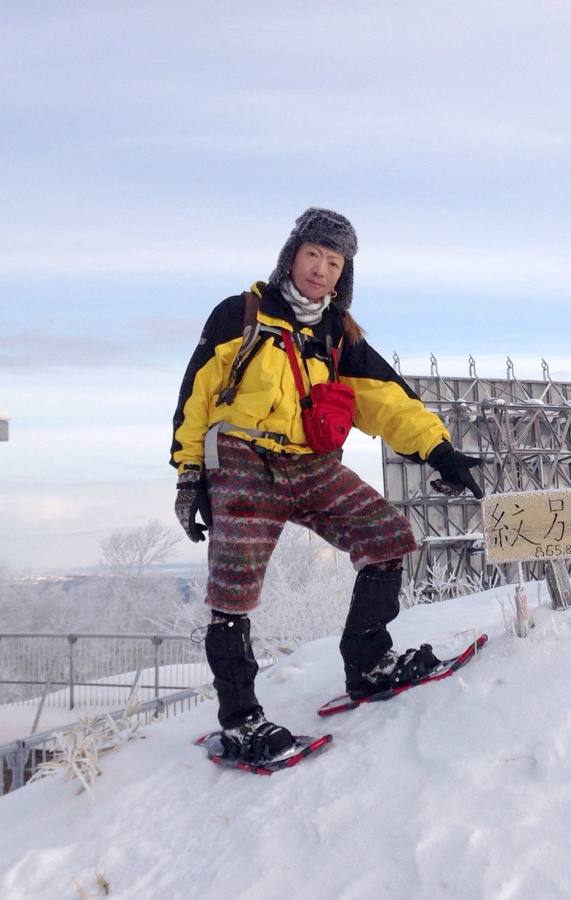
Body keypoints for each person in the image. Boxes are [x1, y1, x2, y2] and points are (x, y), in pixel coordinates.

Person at [171, 207, 482, 764]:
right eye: (313, 254)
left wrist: (442, 451)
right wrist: (189, 477)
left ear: (345, 274)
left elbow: (388, 402)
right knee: (233, 593)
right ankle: (240, 720)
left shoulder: (339, 335)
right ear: (292, 255)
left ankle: (368, 663)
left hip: (313, 466)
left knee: (388, 536)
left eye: (334, 262)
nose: (321, 269)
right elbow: (196, 397)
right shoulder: (239, 314)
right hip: (244, 463)